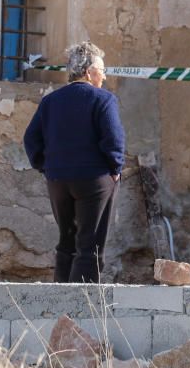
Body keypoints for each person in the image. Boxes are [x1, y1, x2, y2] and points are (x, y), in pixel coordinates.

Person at [24, 41, 125, 283]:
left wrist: (46, 167)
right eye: (102, 70)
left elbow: (31, 138)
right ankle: (84, 306)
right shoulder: (103, 99)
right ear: (89, 72)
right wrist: (115, 168)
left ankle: (61, 302)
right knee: (90, 244)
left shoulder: (51, 101)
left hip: (58, 179)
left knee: (66, 242)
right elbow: (113, 138)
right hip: (94, 179)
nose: (104, 75)